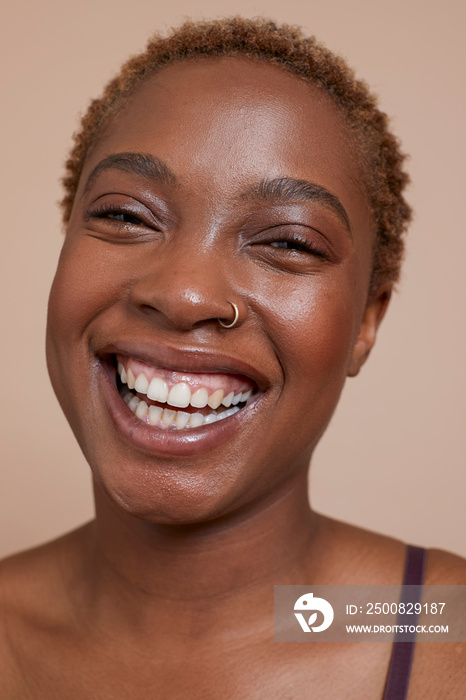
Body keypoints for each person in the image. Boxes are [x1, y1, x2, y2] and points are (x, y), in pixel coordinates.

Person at [0, 17, 464, 698]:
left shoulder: (438, 632)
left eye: (291, 243)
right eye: (126, 216)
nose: (185, 293)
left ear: (366, 322)